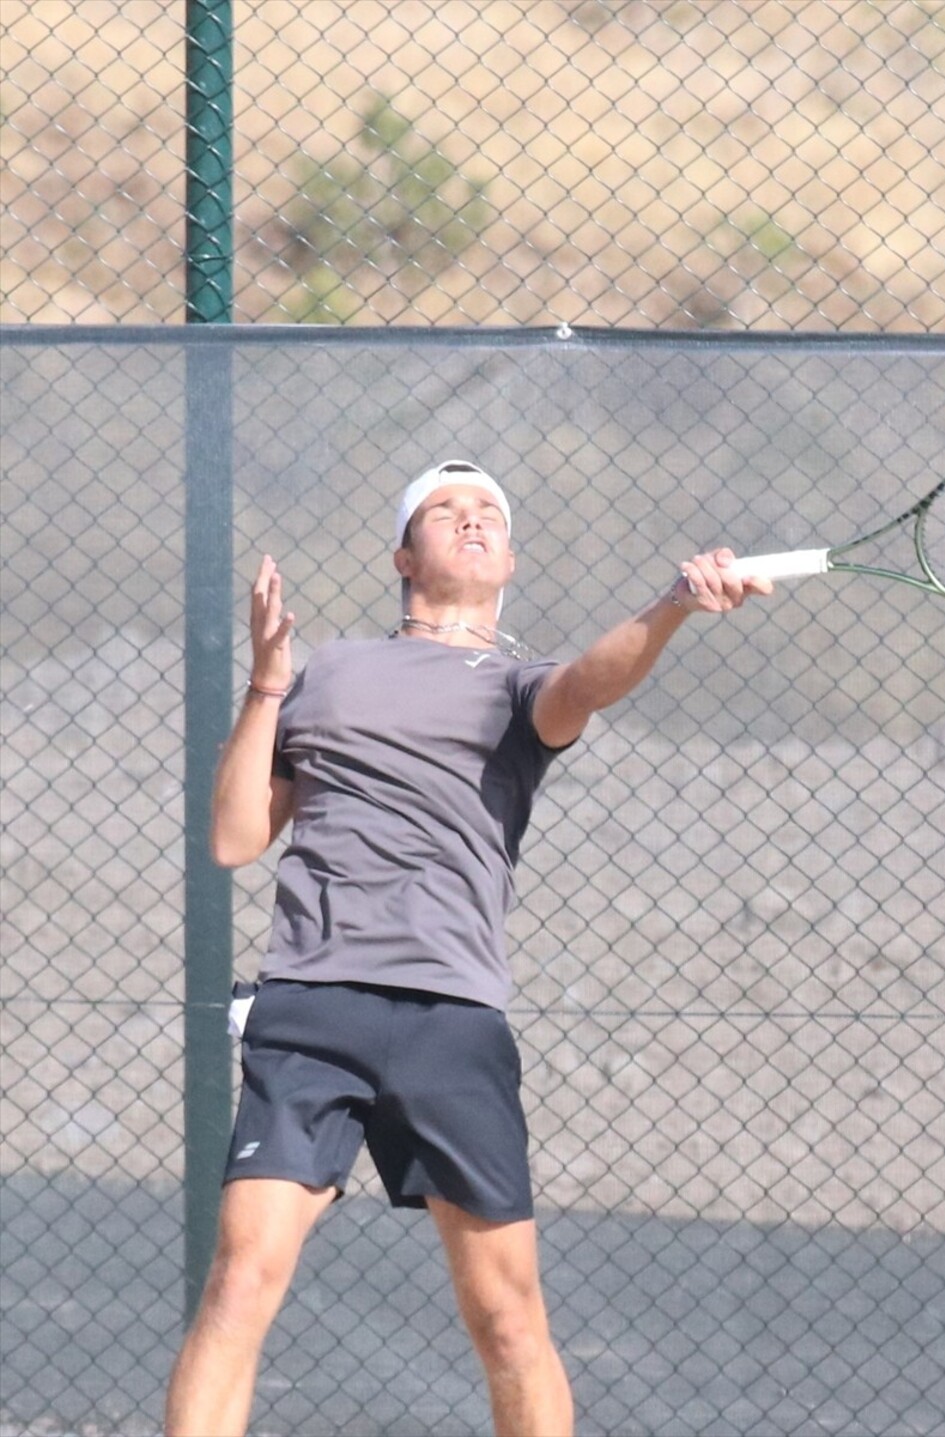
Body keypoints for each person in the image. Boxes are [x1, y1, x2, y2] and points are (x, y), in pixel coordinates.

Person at [164, 459, 771, 1437]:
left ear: (511, 559)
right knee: (238, 1282)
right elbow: (235, 837)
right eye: (445, 510)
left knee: (505, 1315)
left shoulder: (521, 686)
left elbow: (590, 682)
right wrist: (268, 684)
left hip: (450, 1021)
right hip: (311, 1006)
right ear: (405, 554)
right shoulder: (331, 671)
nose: (472, 519)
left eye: (488, 509)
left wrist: (671, 606)